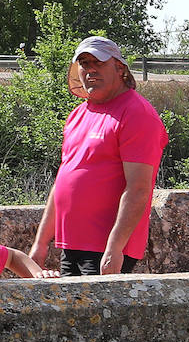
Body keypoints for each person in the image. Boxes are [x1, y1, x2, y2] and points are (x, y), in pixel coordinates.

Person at [29, 36, 168, 276]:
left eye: (98, 62)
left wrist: (115, 247)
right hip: (71, 244)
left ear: (119, 68)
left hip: (105, 249)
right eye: (84, 63)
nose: (90, 69)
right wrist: (40, 244)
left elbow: (138, 189)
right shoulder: (78, 114)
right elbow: (63, 181)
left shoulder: (137, 113)